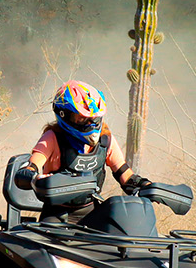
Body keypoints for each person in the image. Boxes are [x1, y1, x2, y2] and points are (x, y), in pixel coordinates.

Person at [14, 80, 153, 223]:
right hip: (56, 215)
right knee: (46, 245)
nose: (90, 123)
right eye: (82, 118)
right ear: (64, 114)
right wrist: (33, 178)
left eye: (93, 118)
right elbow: (30, 168)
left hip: (92, 213)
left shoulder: (105, 140)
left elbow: (125, 175)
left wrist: (147, 186)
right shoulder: (53, 137)